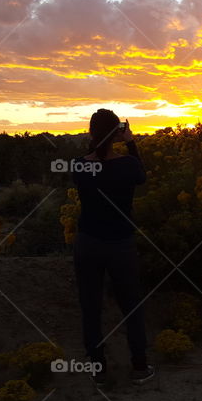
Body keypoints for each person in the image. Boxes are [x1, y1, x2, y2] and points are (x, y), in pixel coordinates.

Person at [72, 109, 154, 386]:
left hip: (88, 243)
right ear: (117, 132)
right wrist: (129, 141)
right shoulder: (128, 165)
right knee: (131, 305)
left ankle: (99, 369)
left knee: (90, 307)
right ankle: (140, 366)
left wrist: (105, 141)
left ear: (92, 131)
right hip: (120, 243)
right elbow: (141, 176)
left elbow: (93, 161)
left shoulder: (80, 165)